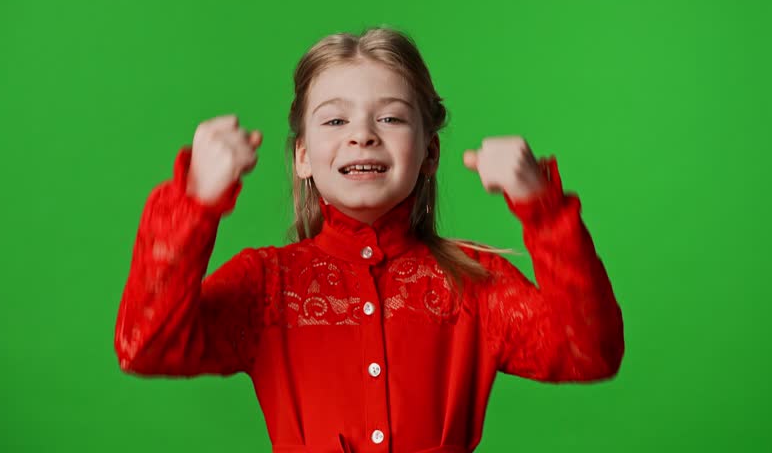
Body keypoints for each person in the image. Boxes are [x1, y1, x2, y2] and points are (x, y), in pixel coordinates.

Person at [114, 26, 625, 453]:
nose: (363, 134)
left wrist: (540, 206)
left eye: (391, 117)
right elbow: (148, 346)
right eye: (335, 119)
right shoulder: (266, 285)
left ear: (430, 153)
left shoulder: (477, 285)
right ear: (303, 157)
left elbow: (589, 352)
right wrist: (196, 201)